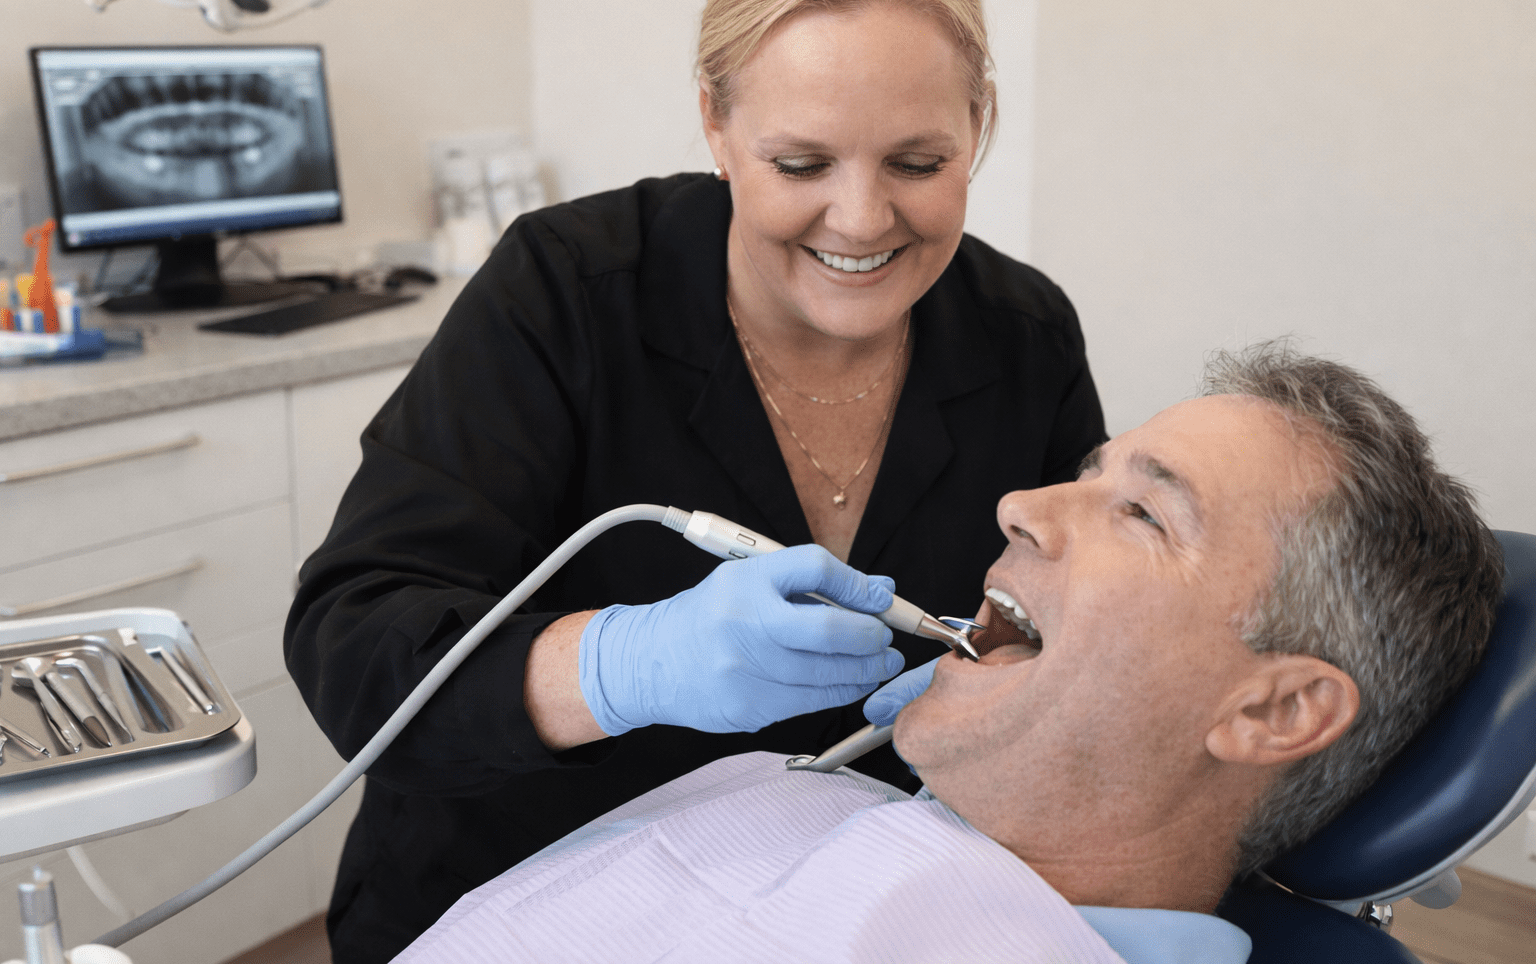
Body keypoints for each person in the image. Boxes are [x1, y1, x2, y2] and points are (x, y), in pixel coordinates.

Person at [285, 0, 1106, 959]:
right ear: (716, 124)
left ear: (978, 120)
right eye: (801, 163)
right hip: (515, 902)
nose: (861, 217)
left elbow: (1073, 619)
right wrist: (620, 665)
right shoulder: (566, 294)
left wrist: (1012, 681)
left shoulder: (1020, 333)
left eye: (918, 161)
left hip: (839, 913)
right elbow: (354, 642)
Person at [390, 344, 1503, 964]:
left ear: (1274, 712)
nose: (1020, 503)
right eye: (1091, 470)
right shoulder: (786, 794)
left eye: (1145, 516)